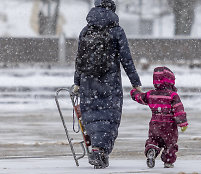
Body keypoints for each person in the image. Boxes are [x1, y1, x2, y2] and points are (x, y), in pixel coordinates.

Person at [73, 0, 142, 169]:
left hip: (88, 82)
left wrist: (77, 82)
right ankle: (100, 150)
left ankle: (97, 149)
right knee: (109, 117)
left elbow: (79, 59)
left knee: (93, 116)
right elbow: (126, 59)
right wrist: (136, 83)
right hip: (110, 82)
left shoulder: (86, 31)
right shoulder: (116, 31)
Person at [130, 66, 188, 168]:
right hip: (169, 124)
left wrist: (134, 92)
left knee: (153, 139)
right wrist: (182, 123)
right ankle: (168, 161)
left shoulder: (151, 94)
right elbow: (178, 109)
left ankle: (152, 150)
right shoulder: (172, 95)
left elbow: (140, 98)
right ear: (170, 81)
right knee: (170, 144)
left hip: (155, 123)